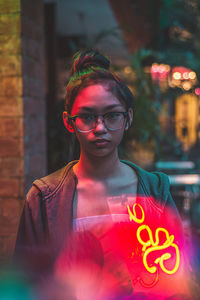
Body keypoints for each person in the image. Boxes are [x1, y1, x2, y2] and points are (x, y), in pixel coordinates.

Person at [14, 49, 192, 300]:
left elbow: (177, 273)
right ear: (69, 122)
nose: (99, 128)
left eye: (111, 115)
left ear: (128, 118)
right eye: (87, 117)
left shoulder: (153, 189)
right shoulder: (44, 198)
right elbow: (25, 284)